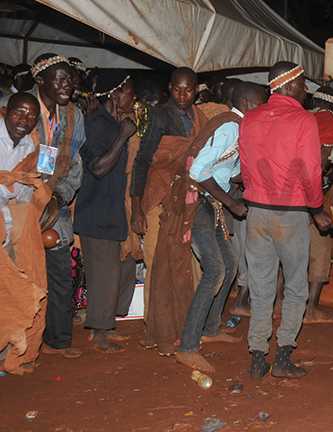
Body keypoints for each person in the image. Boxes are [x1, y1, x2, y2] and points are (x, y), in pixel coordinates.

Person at [239, 61, 333, 380]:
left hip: (257, 212)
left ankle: (256, 356)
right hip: (291, 213)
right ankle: (282, 355)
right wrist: (316, 208)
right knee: (295, 286)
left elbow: (246, 165)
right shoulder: (304, 120)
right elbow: (310, 171)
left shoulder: (250, 118)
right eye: (303, 84)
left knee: (261, 284)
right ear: (290, 85)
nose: (307, 90)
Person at [174, 82, 267, 373]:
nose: (266, 111)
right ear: (248, 104)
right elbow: (198, 171)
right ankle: (187, 347)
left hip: (209, 201)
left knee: (229, 261)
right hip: (196, 200)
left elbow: (225, 170)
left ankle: (211, 328)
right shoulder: (229, 126)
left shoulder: (238, 129)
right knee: (215, 269)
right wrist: (231, 203)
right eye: (263, 105)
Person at [5, 54, 87, 361]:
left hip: (54, 205)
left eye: (70, 80)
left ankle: (59, 339)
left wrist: (59, 197)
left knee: (60, 274)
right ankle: (18, 346)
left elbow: (75, 161)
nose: (68, 85)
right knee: (21, 275)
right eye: (60, 79)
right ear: (40, 80)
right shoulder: (21, 111)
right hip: (18, 206)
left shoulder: (74, 116)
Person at [130, 67, 209, 354]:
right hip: (158, 196)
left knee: (188, 265)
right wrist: (137, 209)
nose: (182, 95)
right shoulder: (161, 116)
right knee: (157, 263)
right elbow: (143, 161)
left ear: (196, 90)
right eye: (177, 89)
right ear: (170, 87)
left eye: (188, 90)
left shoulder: (200, 118)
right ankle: (158, 328)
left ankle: (186, 327)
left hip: (185, 200)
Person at [74, 70, 138, 354]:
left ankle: (108, 322)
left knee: (125, 266)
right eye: (129, 92)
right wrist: (123, 136)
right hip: (97, 211)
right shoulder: (94, 124)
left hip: (113, 211)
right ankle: (99, 332)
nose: (133, 97)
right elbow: (98, 168)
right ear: (115, 95)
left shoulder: (113, 121)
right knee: (106, 272)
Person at [0, 92, 47, 375]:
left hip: (5, 224)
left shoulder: (30, 145)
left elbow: (24, 190)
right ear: (6, 111)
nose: (24, 120)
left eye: (31, 116)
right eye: (19, 112)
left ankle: (7, 357)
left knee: (9, 291)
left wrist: (11, 181)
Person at [306, 86, 333, 323]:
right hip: (314, 196)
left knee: (287, 248)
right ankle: (311, 308)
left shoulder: (301, 119)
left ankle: (279, 303)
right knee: (319, 249)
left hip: (285, 194)